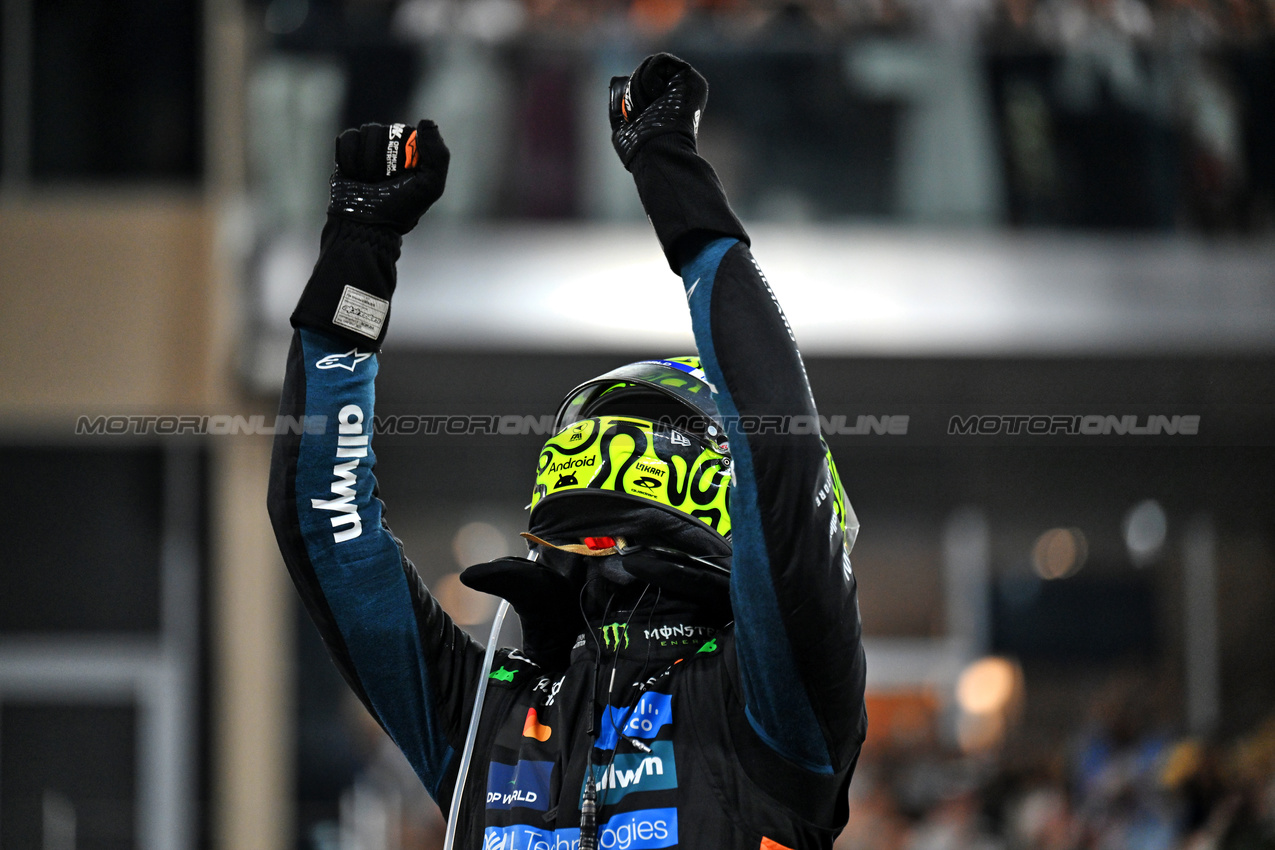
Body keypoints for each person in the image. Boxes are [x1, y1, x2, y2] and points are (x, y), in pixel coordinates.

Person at [268, 53, 868, 850]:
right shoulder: (492, 703)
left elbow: (777, 449)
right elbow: (323, 530)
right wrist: (356, 249)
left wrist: (669, 169)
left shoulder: (775, 701)